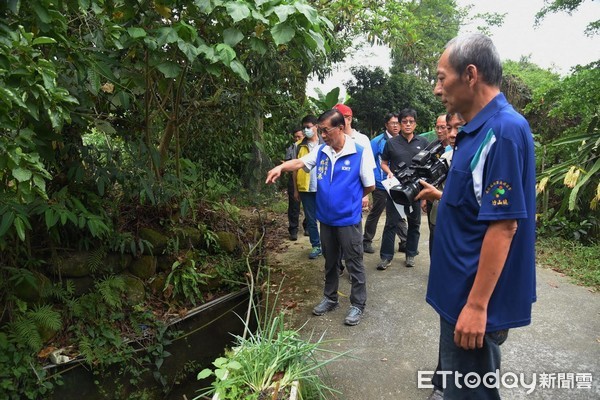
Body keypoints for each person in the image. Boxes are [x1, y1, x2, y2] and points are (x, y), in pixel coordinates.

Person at [417, 33, 537, 400]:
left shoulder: (502, 133)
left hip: (471, 301)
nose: (438, 90)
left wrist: (476, 305)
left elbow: (503, 225)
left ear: (470, 74)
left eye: (441, 77)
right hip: (456, 293)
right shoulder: (475, 131)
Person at [265, 109, 375, 326]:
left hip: (348, 220)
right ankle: (330, 298)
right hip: (326, 219)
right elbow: (299, 163)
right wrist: (280, 167)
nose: (323, 135)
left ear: (341, 128)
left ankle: (357, 304)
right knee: (330, 261)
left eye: (326, 130)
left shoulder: (360, 152)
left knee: (354, 262)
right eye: (320, 130)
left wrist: (349, 200)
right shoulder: (322, 151)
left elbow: (369, 185)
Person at [378, 108, 428, 269]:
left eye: (411, 121)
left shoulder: (423, 143)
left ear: (415, 123)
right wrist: (390, 173)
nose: (407, 124)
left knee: (414, 223)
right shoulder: (391, 143)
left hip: (415, 190)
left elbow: (427, 166)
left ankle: (411, 254)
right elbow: (383, 163)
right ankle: (386, 257)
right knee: (391, 223)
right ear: (399, 124)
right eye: (404, 121)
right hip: (396, 190)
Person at [362, 113, 408, 255]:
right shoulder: (377, 141)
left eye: (397, 123)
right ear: (386, 125)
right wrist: (373, 181)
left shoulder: (403, 140)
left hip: (398, 184)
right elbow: (369, 162)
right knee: (376, 212)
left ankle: (405, 241)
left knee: (399, 212)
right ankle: (367, 241)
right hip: (381, 184)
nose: (395, 126)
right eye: (392, 123)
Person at [424, 113, 465, 256]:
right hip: (438, 216)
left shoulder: (478, 160)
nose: (452, 134)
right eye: (449, 128)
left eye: (458, 128)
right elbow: (436, 186)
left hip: (461, 222)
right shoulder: (445, 157)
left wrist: (438, 195)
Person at [295, 115, 323, 259]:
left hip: (323, 187)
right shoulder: (298, 145)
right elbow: (295, 168)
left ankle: (327, 244)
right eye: (304, 127)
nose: (306, 130)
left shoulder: (325, 143)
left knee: (325, 217)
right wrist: (295, 189)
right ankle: (316, 245)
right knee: (311, 219)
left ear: (316, 126)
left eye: (309, 127)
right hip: (305, 188)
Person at [285, 127, 305, 241]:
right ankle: (293, 229)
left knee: (309, 205)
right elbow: (287, 162)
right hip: (293, 179)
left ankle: (307, 227)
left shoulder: (310, 147)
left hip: (307, 179)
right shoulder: (291, 148)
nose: (297, 139)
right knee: (293, 206)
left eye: (299, 136)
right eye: (295, 137)